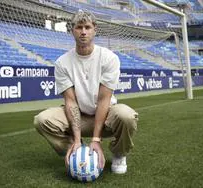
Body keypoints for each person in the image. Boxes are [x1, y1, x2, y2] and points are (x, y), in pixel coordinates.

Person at [34, 10, 138, 174]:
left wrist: (96, 139)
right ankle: (77, 151)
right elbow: (71, 102)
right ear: (72, 30)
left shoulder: (109, 58)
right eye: (79, 27)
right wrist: (76, 139)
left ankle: (119, 153)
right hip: (79, 116)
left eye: (87, 27)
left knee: (127, 116)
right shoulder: (62, 63)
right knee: (42, 120)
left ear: (94, 29)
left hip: (105, 116)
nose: (83, 32)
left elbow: (104, 100)